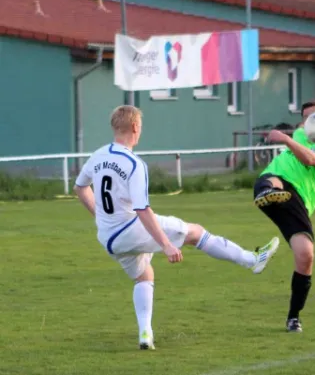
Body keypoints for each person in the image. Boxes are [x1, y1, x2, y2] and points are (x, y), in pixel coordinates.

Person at [73, 105, 279, 350]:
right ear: (136, 127)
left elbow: (79, 187)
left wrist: (100, 217)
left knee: (144, 275)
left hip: (107, 237)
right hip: (130, 228)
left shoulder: (98, 155)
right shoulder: (134, 163)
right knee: (195, 232)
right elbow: (142, 209)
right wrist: (166, 244)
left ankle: (145, 334)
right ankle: (252, 260)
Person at [252, 101, 315, 333]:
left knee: (306, 256)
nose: (308, 122)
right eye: (305, 118)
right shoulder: (301, 133)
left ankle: (293, 317)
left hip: (297, 201)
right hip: (275, 182)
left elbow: (311, 160)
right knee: (273, 180)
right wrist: (286, 137)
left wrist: (286, 139)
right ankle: (267, 193)